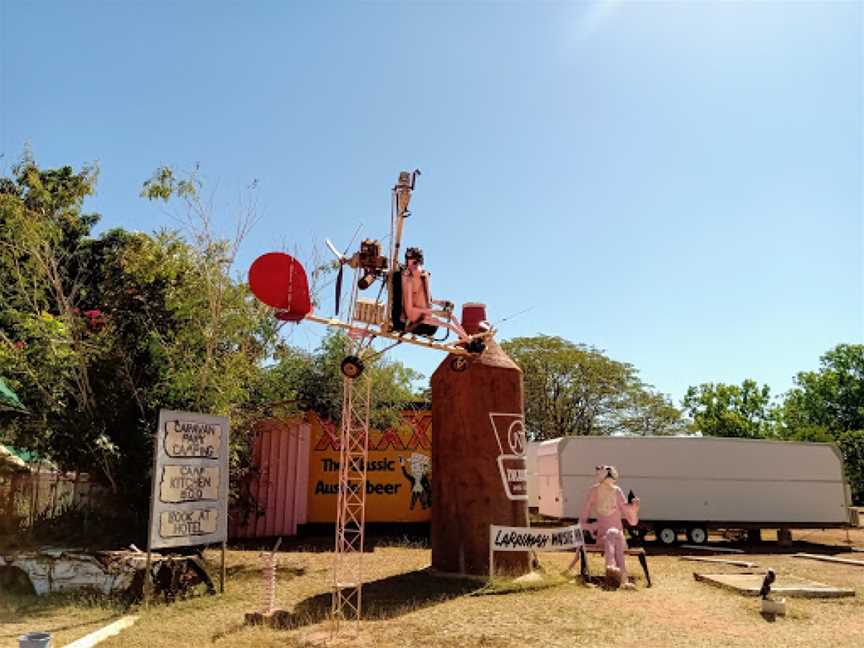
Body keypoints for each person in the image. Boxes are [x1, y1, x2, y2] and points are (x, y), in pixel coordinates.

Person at [567, 465, 640, 589]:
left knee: (613, 534)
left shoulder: (617, 491)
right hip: (603, 538)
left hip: (618, 536)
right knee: (611, 535)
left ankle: (611, 570)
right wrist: (590, 526)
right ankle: (622, 578)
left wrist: (634, 510)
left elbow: (632, 522)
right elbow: (582, 520)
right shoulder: (594, 492)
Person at [401, 247, 469, 340]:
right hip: (416, 319)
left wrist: (442, 303)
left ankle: (467, 339)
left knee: (452, 317)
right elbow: (409, 309)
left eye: (415, 263)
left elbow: (428, 300)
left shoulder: (423, 276)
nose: (412, 266)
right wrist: (433, 311)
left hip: (426, 313)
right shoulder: (408, 280)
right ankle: (469, 341)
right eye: (410, 262)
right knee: (449, 326)